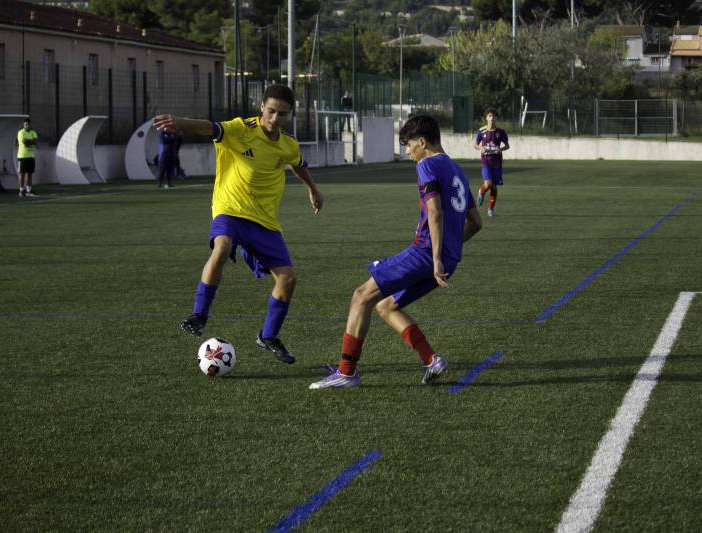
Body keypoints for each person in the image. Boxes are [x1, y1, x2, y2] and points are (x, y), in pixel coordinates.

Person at [152, 84, 324, 364]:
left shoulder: (287, 143)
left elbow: (297, 163)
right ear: (261, 108)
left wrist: (313, 189)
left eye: (281, 114)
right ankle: (199, 315)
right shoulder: (240, 129)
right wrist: (179, 122)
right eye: (270, 112)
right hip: (229, 209)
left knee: (287, 279)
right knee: (221, 248)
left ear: (289, 114)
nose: (274, 119)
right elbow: (209, 128)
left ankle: (268, 335)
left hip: (263, 220)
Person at [310, 114, 482, 389]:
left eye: (408, 144)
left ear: (422, 142)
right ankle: (432, 359)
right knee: (386, 305)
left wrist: (436, 257)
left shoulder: (426, 164)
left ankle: (346, 372)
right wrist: (448, 250)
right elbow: (476, 222)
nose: (407, 150)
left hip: (426, 253)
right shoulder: (458, 170)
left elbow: (434, 212)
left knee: (360, 296)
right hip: (449, 258)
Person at [473, 108, 510, 218]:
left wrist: (501, 149)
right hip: (486, 161)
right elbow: (475, 144)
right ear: (486, 118)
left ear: (496, 118)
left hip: (497, 162)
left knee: (494, 187)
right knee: (488, 183)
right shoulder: (482, 132)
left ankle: (490, 209)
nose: (492, 118)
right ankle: (481, 192)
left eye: (493, 116)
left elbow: (507, 146)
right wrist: (481, 148)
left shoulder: (501, 132)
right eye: (490, 116)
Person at [17, 118, 39, 198]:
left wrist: (29, 142)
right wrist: (31, 142)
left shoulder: (33, 132)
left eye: (28, 124)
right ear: (23, 125)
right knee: (22, 173)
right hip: (22, 156)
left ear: (30, 124)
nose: (27, 126)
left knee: (29, 174)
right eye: (25, 124)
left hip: (31, 156)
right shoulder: (21, 132)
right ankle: (21, 190)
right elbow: (25, 142)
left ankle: (29, 190)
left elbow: (35, 141)